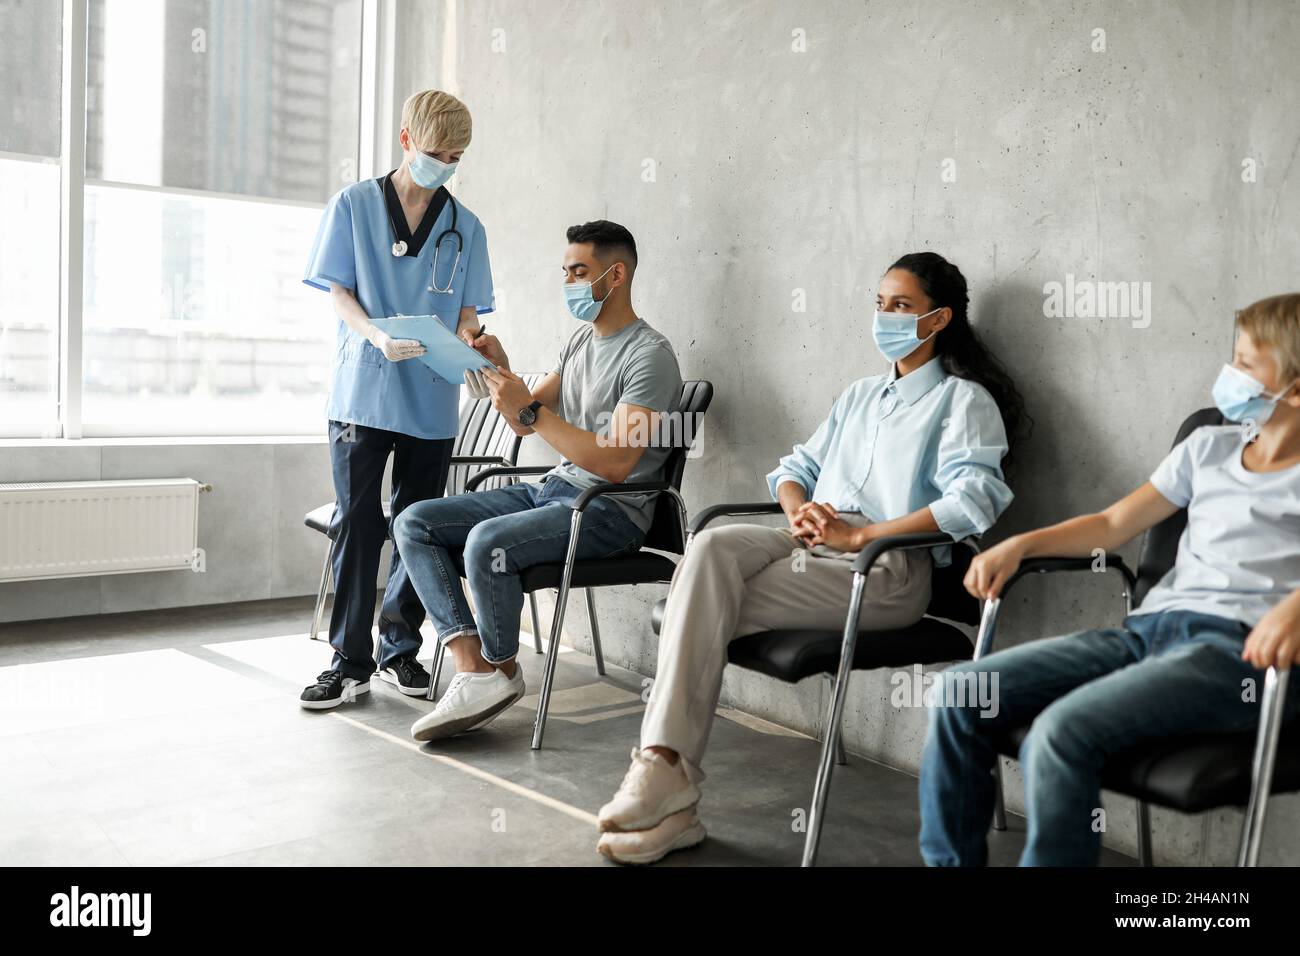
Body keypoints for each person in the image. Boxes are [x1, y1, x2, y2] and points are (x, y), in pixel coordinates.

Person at [597, 252, 1027, 864]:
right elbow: (793, 468)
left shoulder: (962, 402)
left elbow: (975, 501)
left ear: (938, 320)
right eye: (880, 304)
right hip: (810, 542)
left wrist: (865, 535)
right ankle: (670, 787)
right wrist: (799, 508)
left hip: (884, 572)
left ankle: (665, 775)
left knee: (702, 600)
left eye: (901, 306)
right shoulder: (859, 396)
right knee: (712, 543)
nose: (885, 317)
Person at [919, 293, 1300, 866]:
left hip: (1238, 657)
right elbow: (1113, 523)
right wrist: (1021, 544)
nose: (1229, 376)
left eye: (1247, 365)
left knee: (1060, 733)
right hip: (1149, 634)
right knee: (959, 694)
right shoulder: (1209, 448)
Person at [392, 220, 683, 740]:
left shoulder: (651, 357)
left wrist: (527, 410)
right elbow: (522, 414)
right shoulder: (579, 344)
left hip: (609, 511)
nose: (569, 282)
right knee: (415, 521)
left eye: (579, 271)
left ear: (615, 275)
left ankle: (499, 668)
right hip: (554, 490)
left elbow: (615, 464)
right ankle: (477, 668)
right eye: (566, 271)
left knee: (485, 541)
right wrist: (500, 371)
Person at [298, 90, 496, 710]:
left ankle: (398, 649)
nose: (446, 164)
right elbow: (338, 292)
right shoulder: (353, 205)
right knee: (358, 521)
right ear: (407, 139)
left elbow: (468, 314)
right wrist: (378, 335)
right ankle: (346, 660)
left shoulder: (467, 227)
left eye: (456, 156)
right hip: (362, 388)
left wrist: (471, 344)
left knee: (417, 525)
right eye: (437, 152)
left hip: (431, 394)